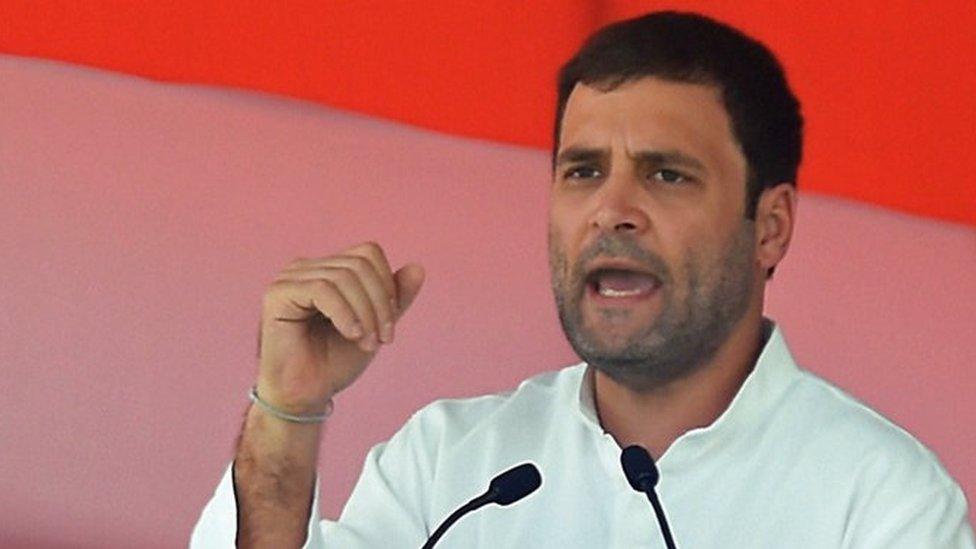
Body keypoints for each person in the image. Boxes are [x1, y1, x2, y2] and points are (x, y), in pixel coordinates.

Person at [191, 11, 974, 548]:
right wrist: (287, 412)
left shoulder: (878, 504)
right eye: (582, 170)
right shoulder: (451, 468)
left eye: (667, 174)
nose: (611, 210)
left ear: (769, 226)